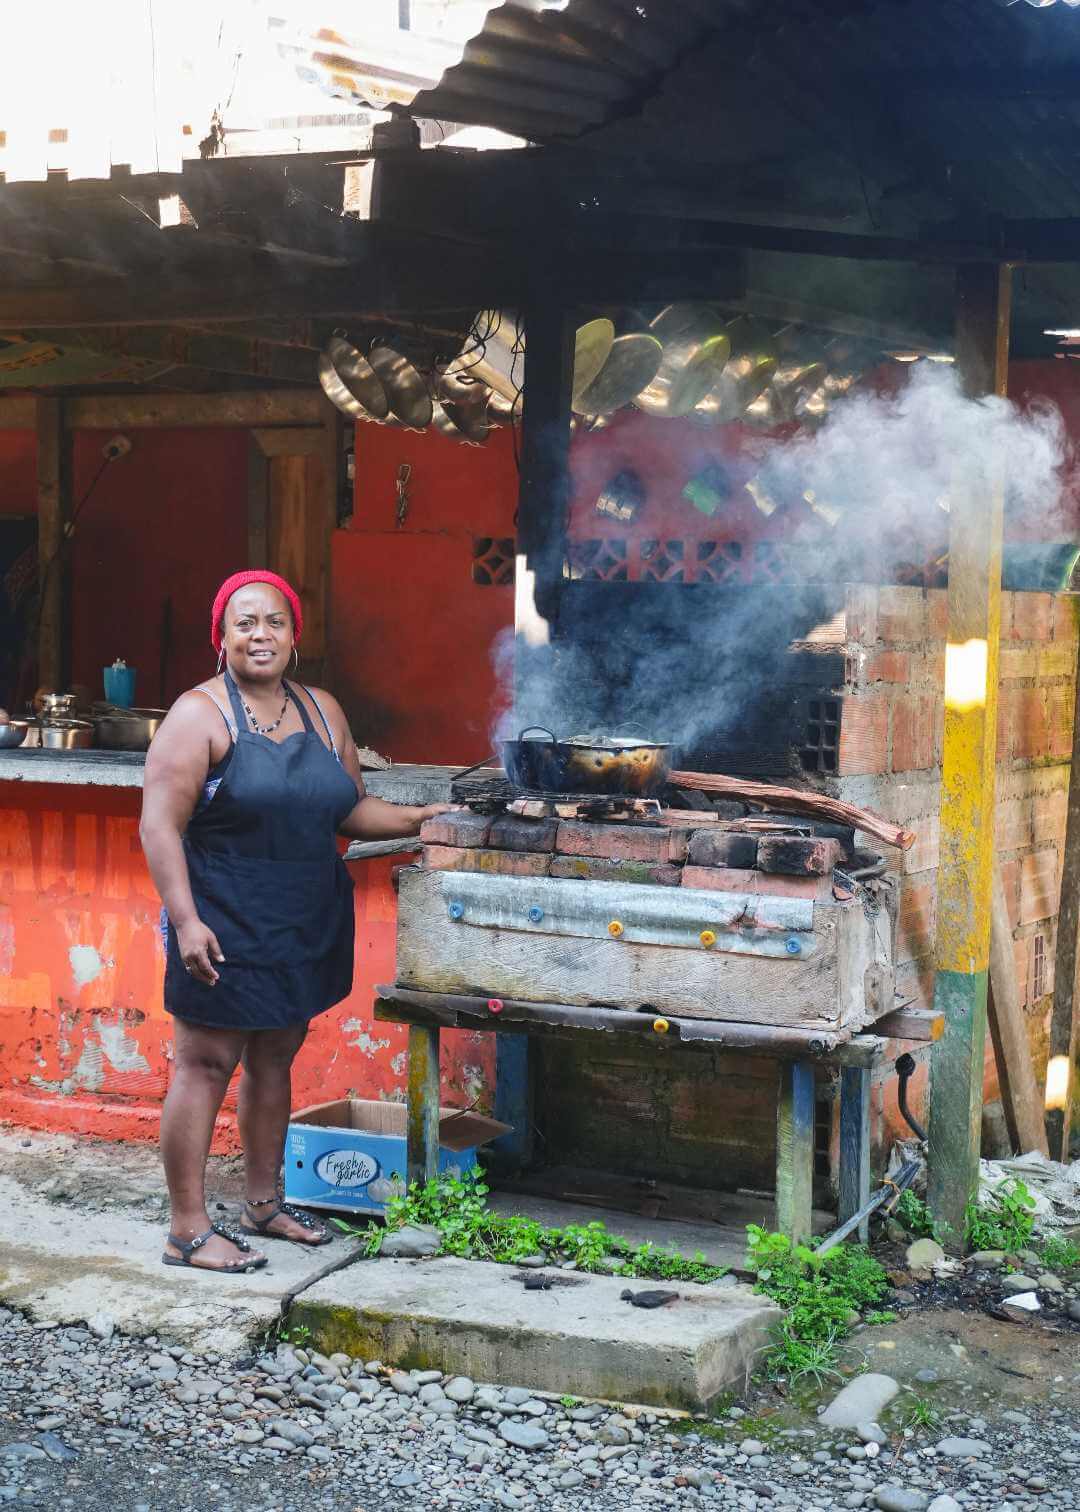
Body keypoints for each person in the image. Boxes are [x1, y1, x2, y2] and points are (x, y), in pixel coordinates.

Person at [140, 569, 447, 1274]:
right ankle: (187, 1229)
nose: (261, 635)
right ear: (221, 638)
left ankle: (263, 1203)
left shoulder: (322, 711)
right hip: (220, 915)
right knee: (205, 1061)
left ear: (293, 635)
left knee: (274, 1057)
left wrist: (418, 819)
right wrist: (185, 921)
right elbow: (159, 826)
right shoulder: (198, 716)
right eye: (244, 622)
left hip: (302, 915)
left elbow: (346, 808)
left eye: (274, 621)